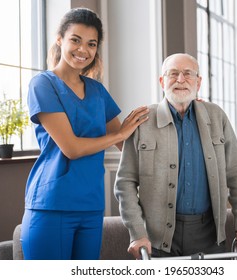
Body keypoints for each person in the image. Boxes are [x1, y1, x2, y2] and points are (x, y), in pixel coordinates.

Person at [20, 8, 149, 260]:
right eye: (75, 40)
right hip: (52, 204)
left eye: (91, 44)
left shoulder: (97, 91)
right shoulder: (43, 84)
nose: (83, 50)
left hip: (91, 205)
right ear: (60, 39)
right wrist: (119, 134)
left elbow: (127, 144)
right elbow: (72, 148)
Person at [114, 53, 237, 259]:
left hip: (210, 235)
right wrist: (137, 233)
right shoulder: (142, 120)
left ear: (199, 82)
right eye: (173, 74)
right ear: (162, 81)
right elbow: (124, 183)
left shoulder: (216, 116)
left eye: (188, 74)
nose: (180, 80)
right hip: (157, 238)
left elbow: (236, 175)